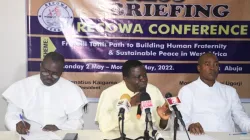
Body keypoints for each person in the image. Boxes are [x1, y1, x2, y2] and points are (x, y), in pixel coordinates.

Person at [2, 52, 88, 134]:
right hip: (28, 135)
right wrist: (17, 124)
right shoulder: (22, 86)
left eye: (54, 74)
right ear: (40, 66)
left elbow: (77, 121)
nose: (49, 77)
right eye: (45, 72)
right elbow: (11, 115)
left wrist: (60, 128)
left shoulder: (72, 90)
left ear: (61, 72)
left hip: (59, 136)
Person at [178, 52, 250, 135]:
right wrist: (189, 125)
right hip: (200, 137)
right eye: (207, 64)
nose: (212, 68)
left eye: (216, 65)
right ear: (199, 68)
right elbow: (182, 118)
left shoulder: (229, 91)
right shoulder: (187, 90)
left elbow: (240, 117)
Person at [95, 60, 172, 132]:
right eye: (138, 77)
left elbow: (162, 126)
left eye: (144, 75)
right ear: (125, 78)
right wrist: (129, 104)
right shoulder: (109, 93)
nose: (143, 79)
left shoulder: (153, 91)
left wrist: (164, 119)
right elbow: (103, 126)